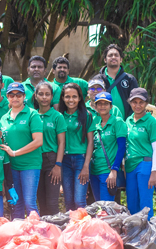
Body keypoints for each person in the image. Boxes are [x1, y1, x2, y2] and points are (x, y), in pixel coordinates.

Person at [0, 83, 43, 219]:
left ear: (24, 96)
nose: (15, 98)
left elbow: (38, 141)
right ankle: (18, 236)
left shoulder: (32, 114)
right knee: (16, 203)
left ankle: (38, 234)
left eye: (19, 95)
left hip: (30, 165)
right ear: (7, 97)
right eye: (12, 95)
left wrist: (15, 152)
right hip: (12, 167)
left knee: (30, 203)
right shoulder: (3, 118)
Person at [124, 88, 156, 218]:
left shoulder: (151, 121)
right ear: (130, 102)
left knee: (145, 203)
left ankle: (148, 234)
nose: (137, 105)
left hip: (145, 164)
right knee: (132, 202)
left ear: (146, 104)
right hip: (130, 165)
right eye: (134, 102)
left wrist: (154, 171)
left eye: (141, 102)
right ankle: (135, 233)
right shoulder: (127, 121)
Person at [32, 82, 66, 216]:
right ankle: (44, 233)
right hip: (35, 160)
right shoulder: (32, 115)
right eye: (41, 94)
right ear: (35, 96)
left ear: (52, 97)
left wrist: (58, 165)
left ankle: (56, 232)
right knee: (41, 201)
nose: (44, 97)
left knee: (52, 203)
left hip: (52, 160)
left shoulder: (57, 116)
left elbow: (61, 143)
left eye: (47, 94)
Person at [58, 82, 93, 211]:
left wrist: (86, 166)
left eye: (74, 96)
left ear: (79, 98)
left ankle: (82, 229)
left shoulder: (86, 115)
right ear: (62, 98)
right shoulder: (59, 116)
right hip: (65, 160)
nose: (71, 100)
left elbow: (90, 142)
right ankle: (71, 230)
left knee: (79, 200)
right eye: (67, 96)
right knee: (68, 201)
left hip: (81, 159)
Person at [89, 92, 127, 203]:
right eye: (99, 104)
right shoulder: (95, 122)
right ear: (95, 107)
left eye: (106, 104)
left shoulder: (117, 122)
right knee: (98, 206)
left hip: (108, 171)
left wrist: (114, 170)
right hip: (94, 171)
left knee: (107, 206)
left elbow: (121, 147)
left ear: (111, 106)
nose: (102, 106)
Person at [97, 44, 139, 120]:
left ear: (121, 59)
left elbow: (136, 101)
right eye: (110, 55)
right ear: (105, 59)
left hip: (124, 124)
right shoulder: (97, 80)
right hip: (103, 125)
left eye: (116, 55)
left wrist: (130, 121)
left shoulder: (130, 79)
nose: (113, 57)